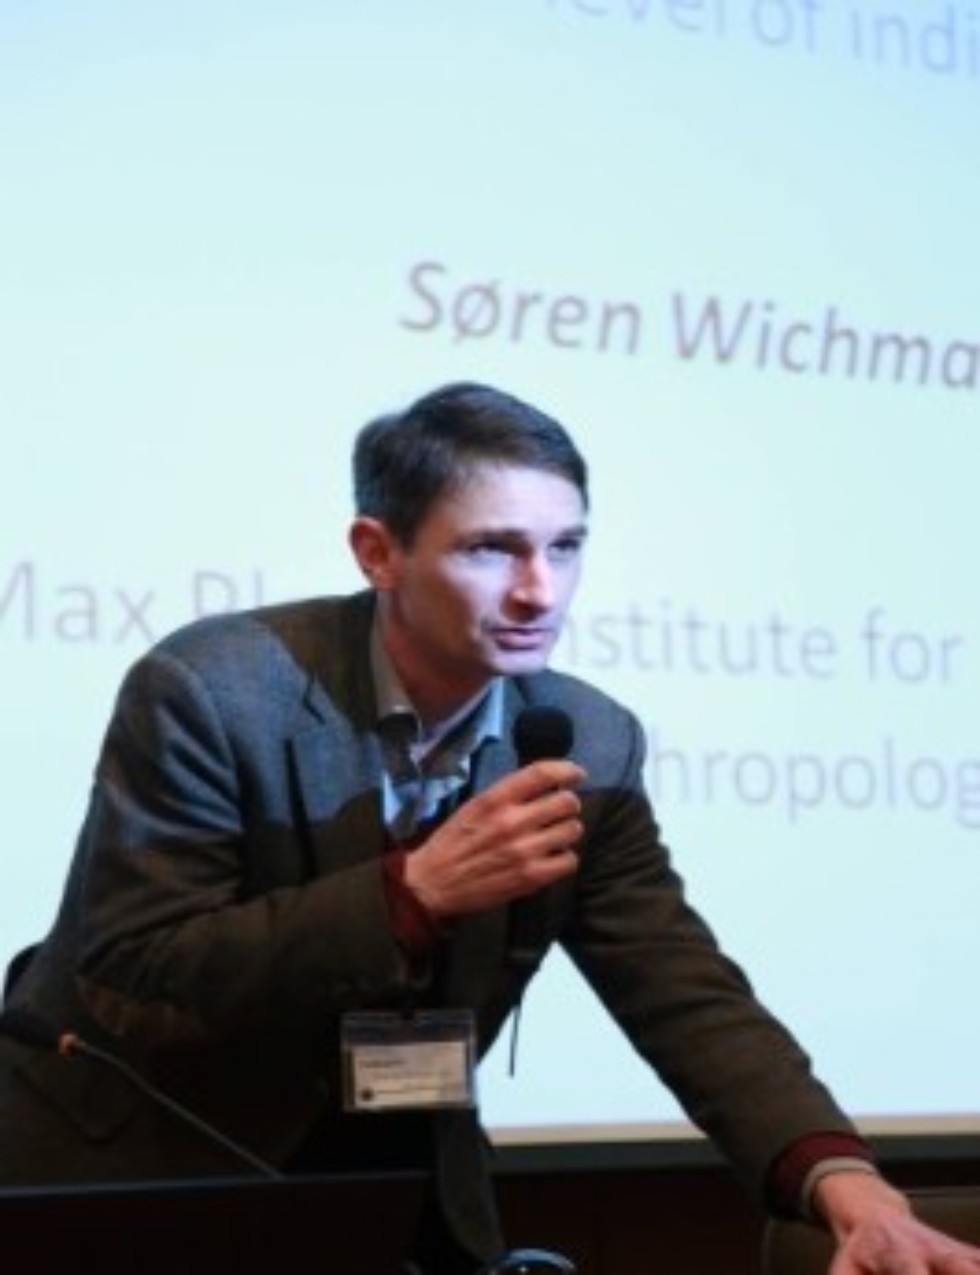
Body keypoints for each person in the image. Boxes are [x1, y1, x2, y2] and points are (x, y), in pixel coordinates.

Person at [0, 381, 977, 1275]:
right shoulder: (213, 692)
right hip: (147, 1167)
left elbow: (681, 988)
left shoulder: (590, 737)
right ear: (377, 551)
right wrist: (410, 895)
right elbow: (136, 968)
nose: (539, 591)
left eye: (565, 547)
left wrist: (844, 1183)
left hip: (391, 1180)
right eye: (490, 549)